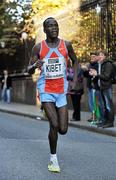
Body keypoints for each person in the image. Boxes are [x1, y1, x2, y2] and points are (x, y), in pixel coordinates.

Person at [28, 17, 78, 173]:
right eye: (50, 26)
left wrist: (74, 81)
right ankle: (53, 159)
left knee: (62, 129)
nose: (54, 28)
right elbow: (28, 69)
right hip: (46, 90)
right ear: (45, 30)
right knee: (54, 125)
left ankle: (51, 115)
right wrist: (34, 65)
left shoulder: (66, 45)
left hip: (61, 90)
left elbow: (76, 61)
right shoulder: (38, 48)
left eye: (56, 25)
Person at [90, 50, 114, 128]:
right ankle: (104, 121)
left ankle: (110, 122)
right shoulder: (100, 64)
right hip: (101, 87)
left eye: (101, 55)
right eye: (99, 55)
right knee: (104, 105)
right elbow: (100, 76)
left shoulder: (108, 64)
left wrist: (97, 74)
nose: (99, 56)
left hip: (107, 87)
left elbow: (106, 76)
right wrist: (94, 74)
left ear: (105, 56)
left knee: (108, 105)